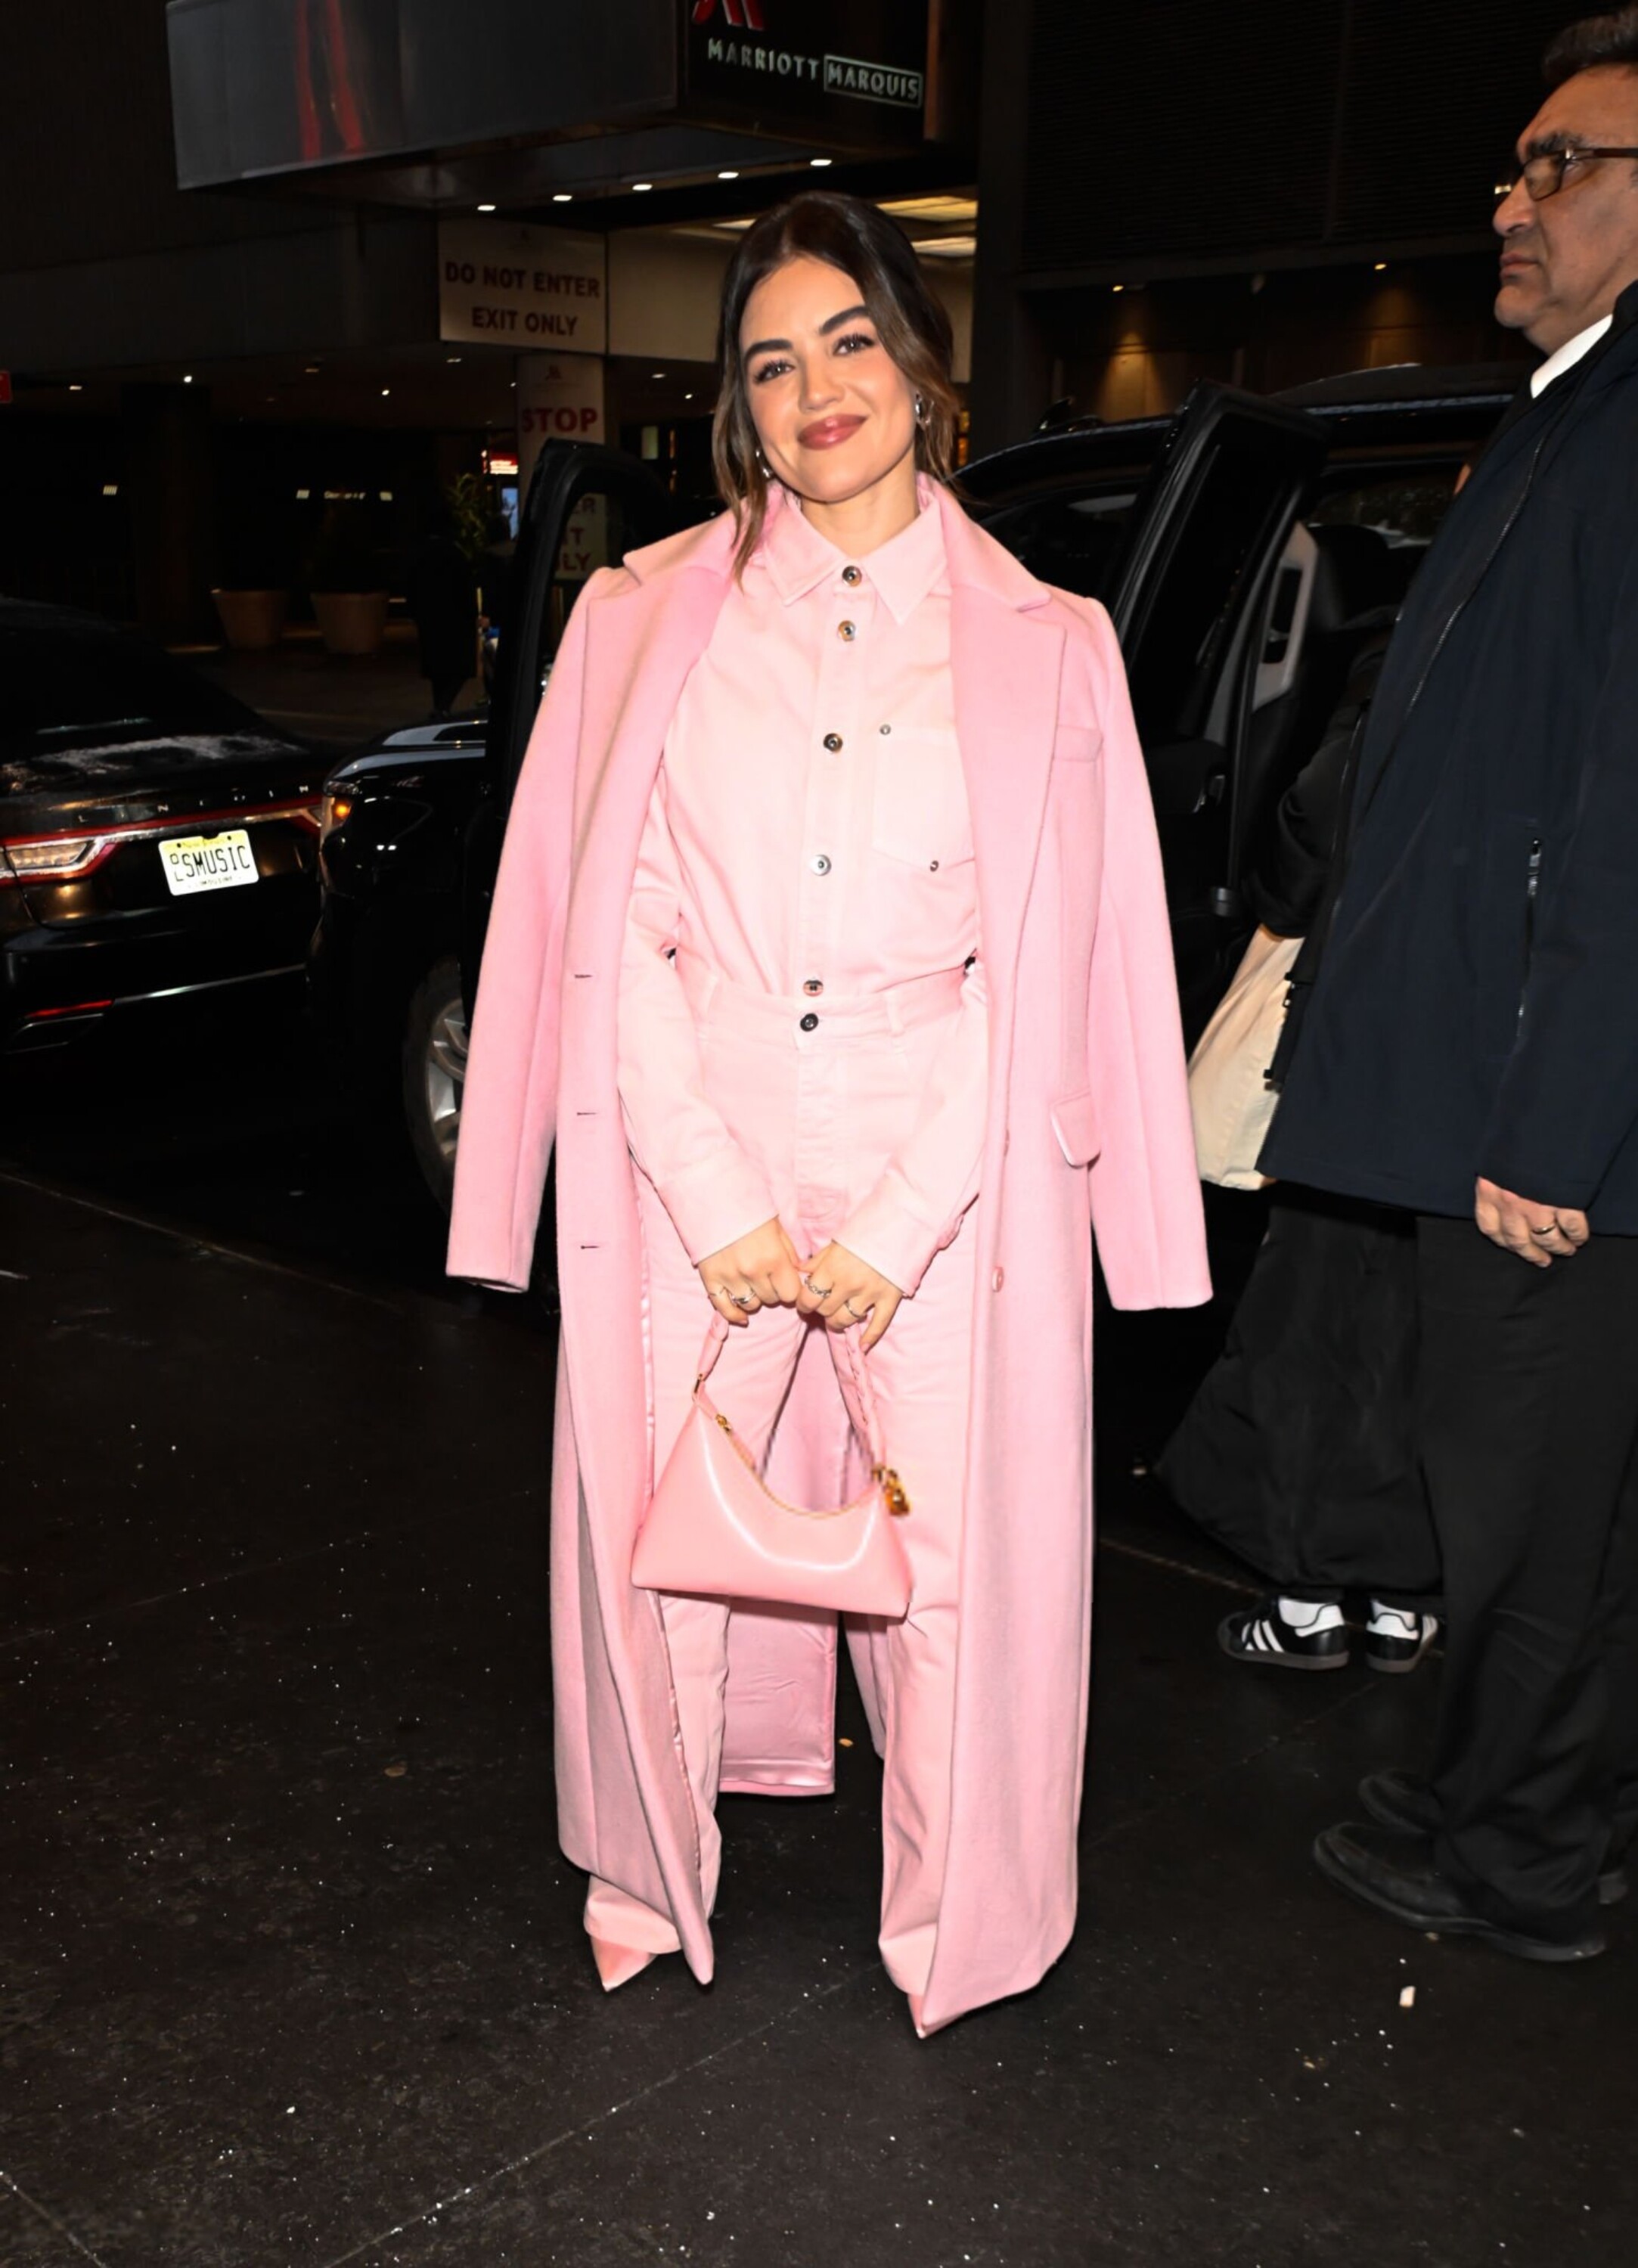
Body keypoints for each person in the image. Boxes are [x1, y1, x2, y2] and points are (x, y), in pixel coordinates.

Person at [446, 191, 1208, 2035]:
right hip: (686, 1137)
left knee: (953, 1577)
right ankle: (645, 1872)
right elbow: (599, 927)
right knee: (658, 1548)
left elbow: (1061, 960)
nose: (817, 390)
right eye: (773, 362)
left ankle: (965, 1923)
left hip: (946, 1151)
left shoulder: (1050, 642)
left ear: (923, 366)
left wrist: (900, 1215)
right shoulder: (640, 618)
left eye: (851, 341)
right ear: (739, 404)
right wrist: (710, 1187)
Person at [1264, 7, 1638, 1959]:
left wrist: (1548, 1123)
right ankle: (1508, 1788)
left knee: (1528, 1516)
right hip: (1507, 1089)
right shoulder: (1567, 410)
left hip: (1544, 1119)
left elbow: (1624, 817)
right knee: (1533, 1499)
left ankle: (1520, 1855)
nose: (1511, 200)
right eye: (1512, 165)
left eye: (1560, 166)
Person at [1159, 637, 1443, 1674]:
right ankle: (1404, 1599)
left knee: (1309, 1323)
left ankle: (1305, 1601)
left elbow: (1298, 861)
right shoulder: (1582, 657)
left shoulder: (1419, 650)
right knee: (1427, 1332)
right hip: (1491, 1067)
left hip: (1359, 1044)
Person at [404, 504, 476, 717]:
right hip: (454, 619)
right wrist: (471, 614)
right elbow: (465, 588)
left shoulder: (421, 555)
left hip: (430, 618)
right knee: (458, 667)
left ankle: (441, 706)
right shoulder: (454, 555)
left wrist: (415, 613)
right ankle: (442, 707)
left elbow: (411, 586)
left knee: (438, 669)